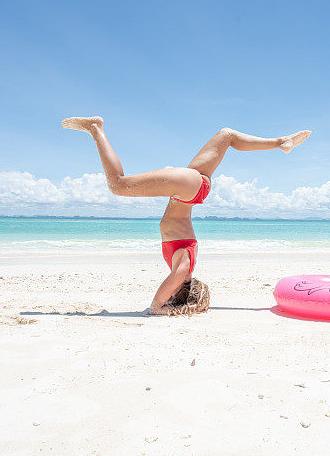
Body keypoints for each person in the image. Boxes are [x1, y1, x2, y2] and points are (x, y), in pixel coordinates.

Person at [62, 116, 311, 315]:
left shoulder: (182, 264)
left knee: (227, 135)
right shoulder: (184, 270)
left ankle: (281, 141)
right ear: (179, 290)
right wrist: (159, 307)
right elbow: (160, 298)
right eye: (174, 291)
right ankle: (96, 127)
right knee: (118, 185)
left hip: (195, 188)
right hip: (186, 190)